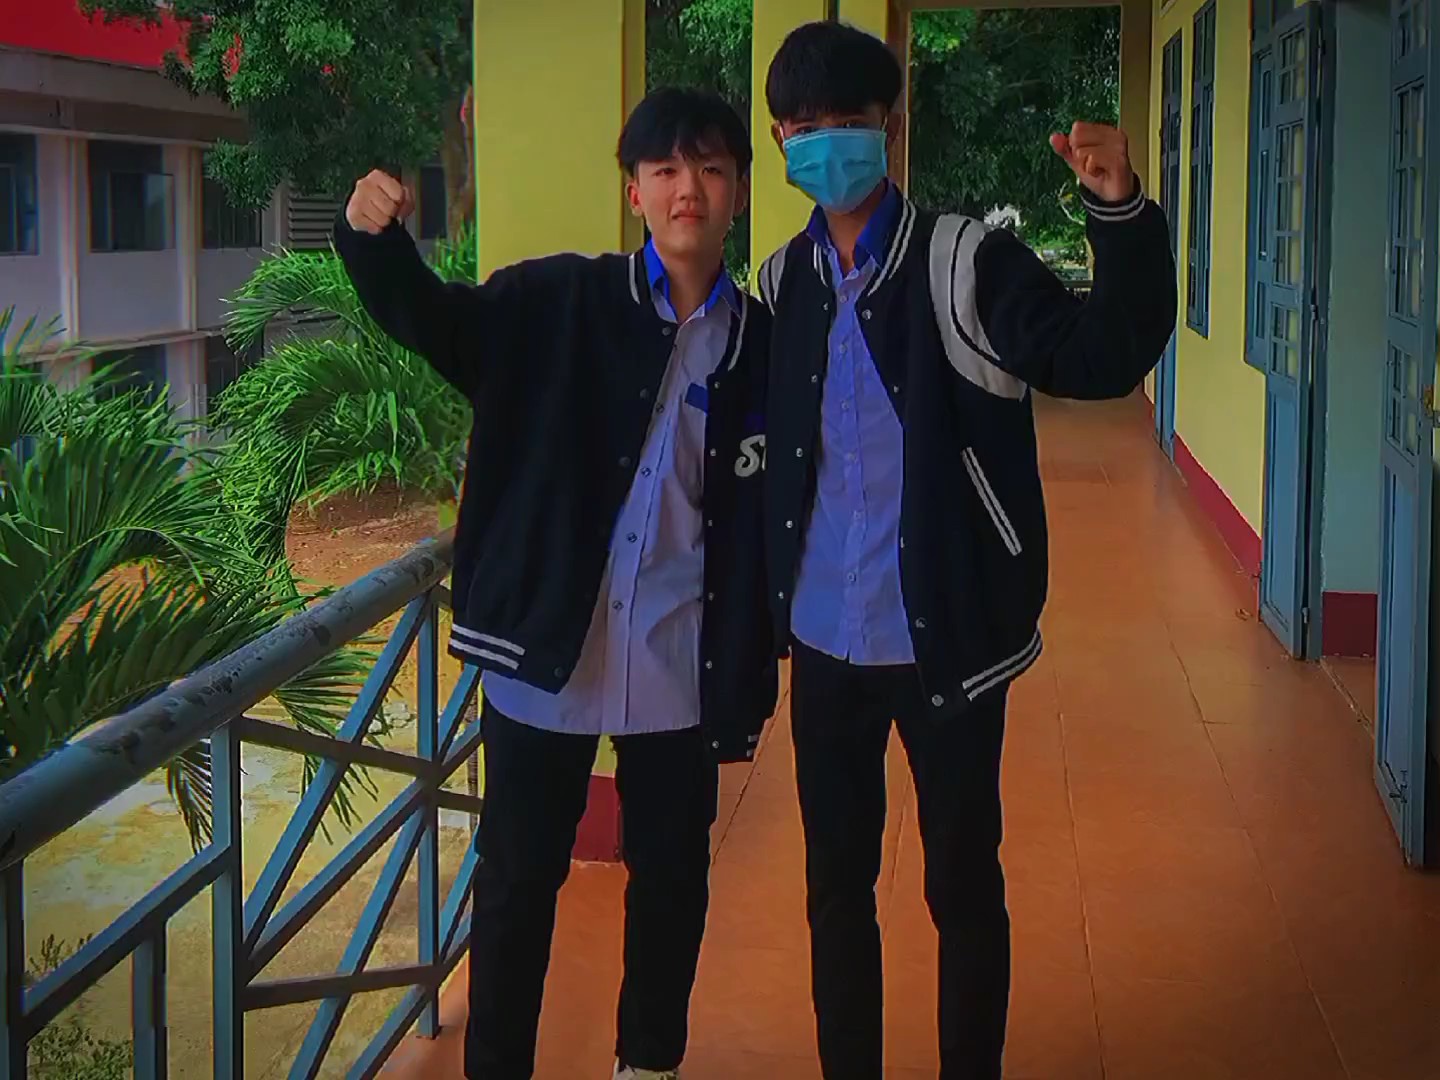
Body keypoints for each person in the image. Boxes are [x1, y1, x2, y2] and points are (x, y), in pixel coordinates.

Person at [754, 21, 1177, 1080]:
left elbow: (1100, 357)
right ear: (779, 142)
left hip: (946, 637)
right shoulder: (781, 283)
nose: (825, 144)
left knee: (961, 884)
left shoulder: (964, 263)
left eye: (847, 122)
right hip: (825, 642)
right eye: (803, 128)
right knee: (835, 888)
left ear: (892, 128)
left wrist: (1119, 216)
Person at [334, 87, 777, 1080]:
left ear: (740, 191)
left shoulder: (761, 347)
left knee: (671, 878)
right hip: (545, 651)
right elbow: (434, 322)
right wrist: (371, 241)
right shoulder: (553, 303)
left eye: (711, 169)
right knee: (518, 881)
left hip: (679, 657)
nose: (688, 189)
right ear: (634, 192)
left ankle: (647, 1064)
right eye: (665, 170)